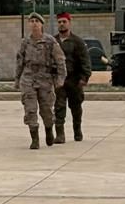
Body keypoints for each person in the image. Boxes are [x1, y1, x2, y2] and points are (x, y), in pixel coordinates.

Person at [15, 14, 64, 150]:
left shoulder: (50, 41)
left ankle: (49, 130)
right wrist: (17, 79)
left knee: (46, 109)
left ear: (42, 24)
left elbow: (60, 61)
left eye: (37, 21)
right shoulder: (25, 42)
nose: (34, 24)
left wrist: (60, 78)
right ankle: (34, 138)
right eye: (32, 21)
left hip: (45, 78)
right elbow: (20, 61)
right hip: (28, 78)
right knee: (30, 109)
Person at [53, 13, 91, 143]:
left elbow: (85, 61)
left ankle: (77, 130)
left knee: (76, 107)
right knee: (59, 107)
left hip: (74, 80)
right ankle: (60, 134)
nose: (62, 24)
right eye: (59, 22)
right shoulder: (53, 41)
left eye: (64, 21)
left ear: (69, 23)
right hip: (59, 80)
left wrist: (84, 77)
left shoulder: (77, 42)